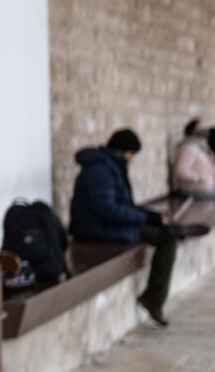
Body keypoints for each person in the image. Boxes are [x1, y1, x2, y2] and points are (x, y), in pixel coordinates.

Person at [71, 128, 191, 326]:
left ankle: (175, 230)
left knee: (165, 231)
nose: (132, 159)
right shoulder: (100, 169)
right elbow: (107, 210)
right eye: (131, 154)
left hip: (107, 224)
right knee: (166, 237)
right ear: (124, 151)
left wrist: (151, 216)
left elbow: (123, 204)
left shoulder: (111, 166)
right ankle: (153, 298)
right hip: (95, 228)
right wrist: (145, 217)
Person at [171, 117, 215, 201]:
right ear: (193, 130)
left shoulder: (200, 147)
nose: (204, 131)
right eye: (200, 128)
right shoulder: (188, 147)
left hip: (205, 187)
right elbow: (181, 171)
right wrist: (200, 178)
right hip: (194, 189)